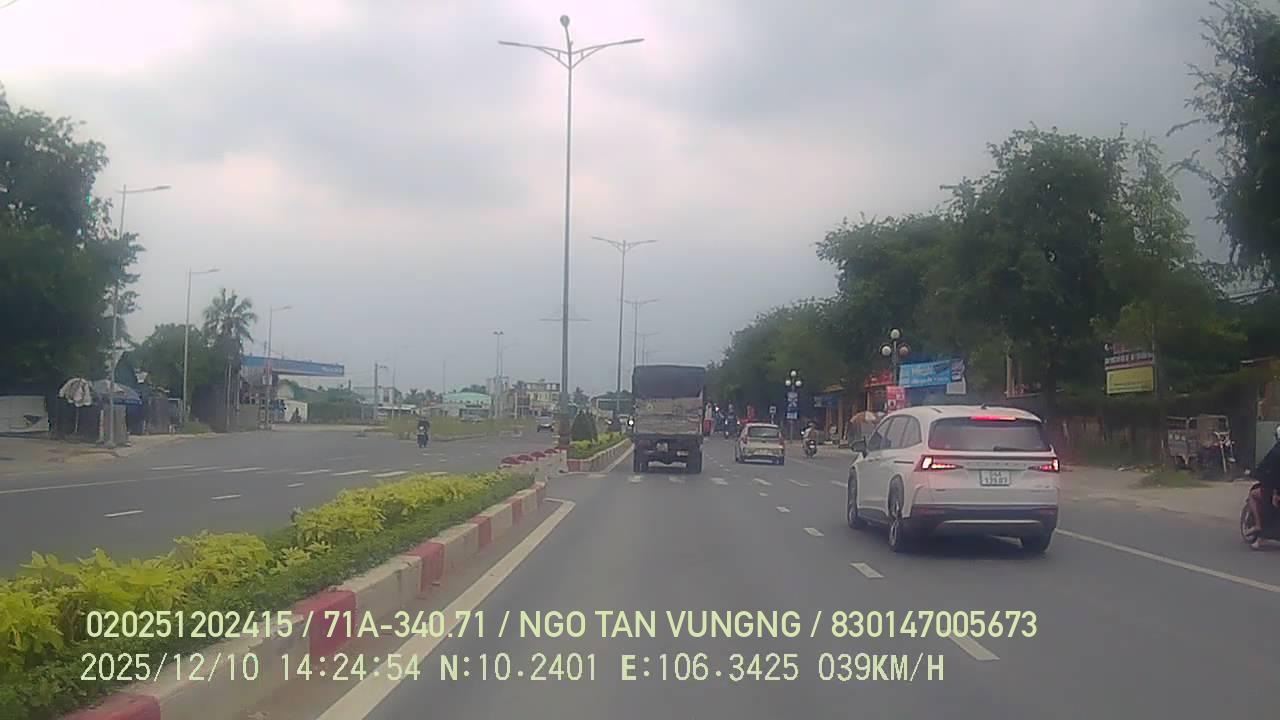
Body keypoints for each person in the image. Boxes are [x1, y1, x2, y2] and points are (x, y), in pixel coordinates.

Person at [1247, 425, 1280, 549]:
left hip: (1274, 489)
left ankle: (1259, 529)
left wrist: (1276, 493)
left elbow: (1266, 468)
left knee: (1255, 496)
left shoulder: (1275, 452)